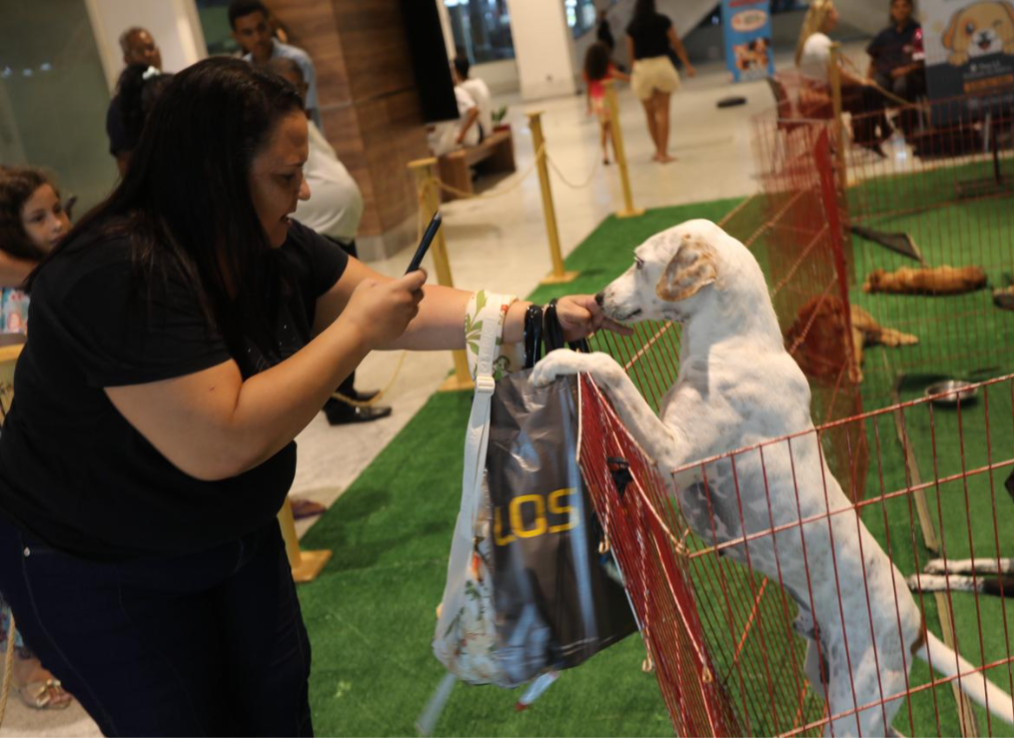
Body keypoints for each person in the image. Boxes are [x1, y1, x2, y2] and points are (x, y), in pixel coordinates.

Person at [0, 57, 620, 736]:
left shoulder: (265, 241)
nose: (302, 192)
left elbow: (393, 303)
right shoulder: (116, 272)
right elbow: (223, 440)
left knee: (280, 705)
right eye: (284, 176)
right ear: (213, 175)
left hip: (226, 533)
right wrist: (355, 332)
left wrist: (536, 317)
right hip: (100, 562)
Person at [267, 58, 388, 427]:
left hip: (330, 232)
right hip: (318, 230)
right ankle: (337, 402)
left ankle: (343, 393)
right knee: (332, 324)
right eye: (288, 177)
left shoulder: (300, 123)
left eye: (300, 86)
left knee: (353, 308)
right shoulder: (274, 132)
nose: (302, 189)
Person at [0, 166, 74, 711]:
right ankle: (26, 656)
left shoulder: (58, 276)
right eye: (38, 217)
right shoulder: (16, 298)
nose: (58, 224)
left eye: (58, 209)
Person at [796, 0, 892, 155]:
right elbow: (837, 75)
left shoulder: (813, 40)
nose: (837, 15)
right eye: (834, 11)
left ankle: (876, 132)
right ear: (825, 16)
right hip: (823, 96)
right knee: (869, 90)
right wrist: (862, 81)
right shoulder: (820, 42)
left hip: (819, 91)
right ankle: (867, 137)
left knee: (867, 90)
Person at [230, 0, 323, 130]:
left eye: (261, 28)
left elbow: (305, 114)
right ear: (236, 37)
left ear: (271, 25)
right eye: (248, 32)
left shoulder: (298, 59)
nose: (257, 38)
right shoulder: (240, 72)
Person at [625, 0, 696, 163]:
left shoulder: (632, 26)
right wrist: (687, 65)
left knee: (649, 114)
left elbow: (631, 54)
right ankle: (664, 153)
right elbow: (677, 44)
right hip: (662, 66)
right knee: (663, 112)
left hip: (642, 68)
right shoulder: (663, 21)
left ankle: (657, 151)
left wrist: (635, 72)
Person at [106, 27, 163, 173]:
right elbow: (126, 162)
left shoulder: (173, 87)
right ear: (127, 59)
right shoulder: (120, 107)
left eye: (150, 47)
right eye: (139, 51)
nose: (148, 54)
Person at [867, 0, 925, 135]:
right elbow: (873, 61)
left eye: (904, 6)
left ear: (910, 8)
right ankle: (882, 127)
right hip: (885, 75)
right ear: (892, 10)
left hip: (910, 75)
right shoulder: (884, 34)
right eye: (897, 7)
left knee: (901, 86)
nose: (901, 10)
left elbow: (922, 61)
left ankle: (908, 129)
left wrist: (906, 70)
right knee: (871, 88)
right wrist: (867, 79)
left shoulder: (918, 32)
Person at [583, 42, 630, 165]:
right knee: (613, 128)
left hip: (596, 101)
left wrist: (589, 105)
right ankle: (616, 154)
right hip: (608, 99)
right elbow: (617, 75)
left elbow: (588, 88)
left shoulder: (589, 70)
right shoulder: (607, 67)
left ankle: (605, 154)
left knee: (603, 129)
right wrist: (630, 78)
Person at [453, 56, 493, 143]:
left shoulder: (462, 88)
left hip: (480, 132)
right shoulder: (479, 81)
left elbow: (474, 111)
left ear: (456, 71)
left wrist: (462, 134)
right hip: (488, 128)